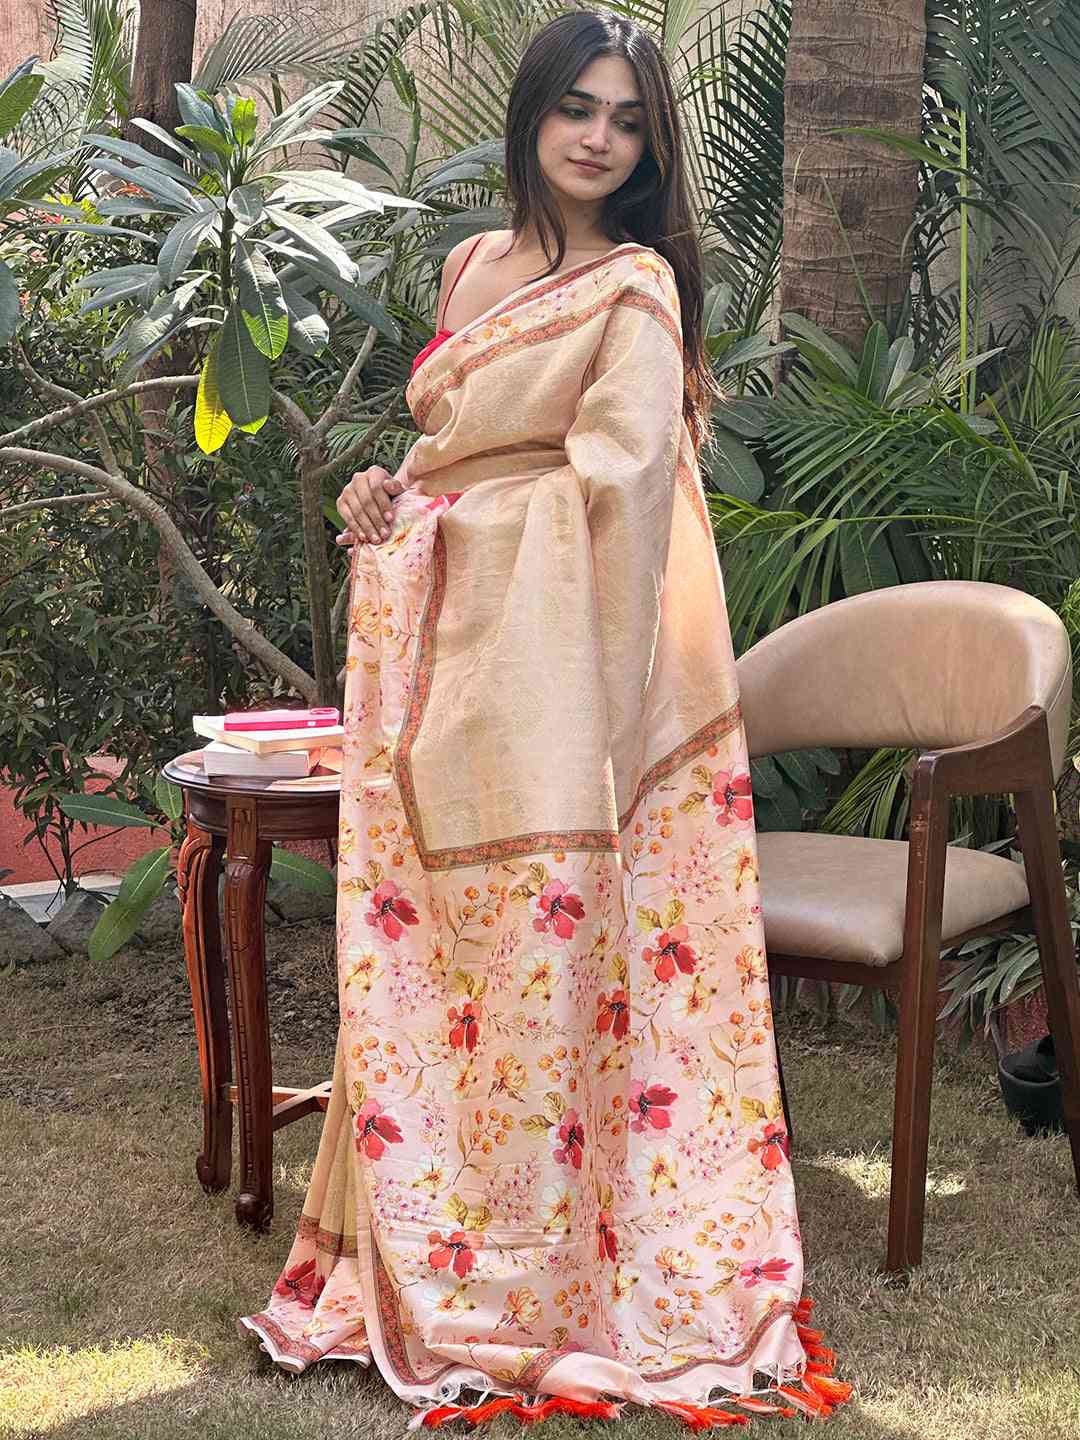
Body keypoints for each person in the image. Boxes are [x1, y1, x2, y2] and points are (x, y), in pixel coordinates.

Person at [240, 9, 849, 1428]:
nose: (598, 138)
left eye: (628, 120)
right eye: (577, 108)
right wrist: (384, 495)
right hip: (441, 660)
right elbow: (454, 448)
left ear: (649, 146)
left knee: (554, 962)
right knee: (439, 958)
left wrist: (464, 529)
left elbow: (623, 492)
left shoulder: (636, 286)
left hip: (559, 673)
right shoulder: (471, 264)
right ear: (530, 115)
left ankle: (552, 1269)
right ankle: (441, 1231)